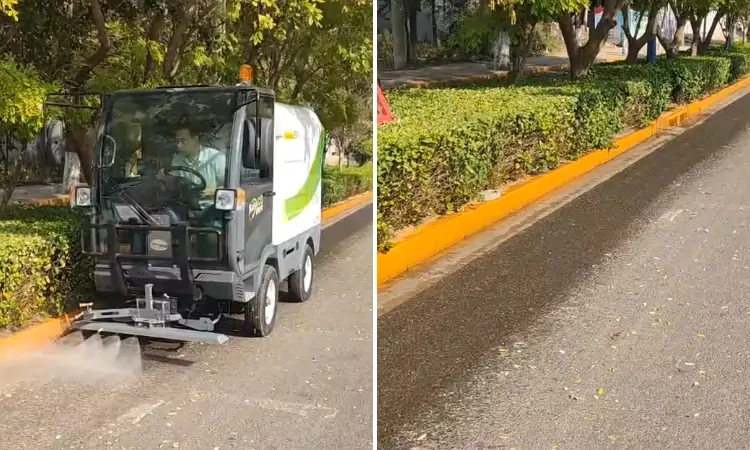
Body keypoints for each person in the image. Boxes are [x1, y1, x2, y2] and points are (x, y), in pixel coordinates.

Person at [168, 124, 226, 196]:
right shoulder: (177, 160)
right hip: (185, 201)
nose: (179, 145)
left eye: (183, 141)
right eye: (177, 141)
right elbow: (174, 187)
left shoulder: (215, 158)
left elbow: (229, 187)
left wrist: (209, 192)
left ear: (195, 139)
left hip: (211, 202)